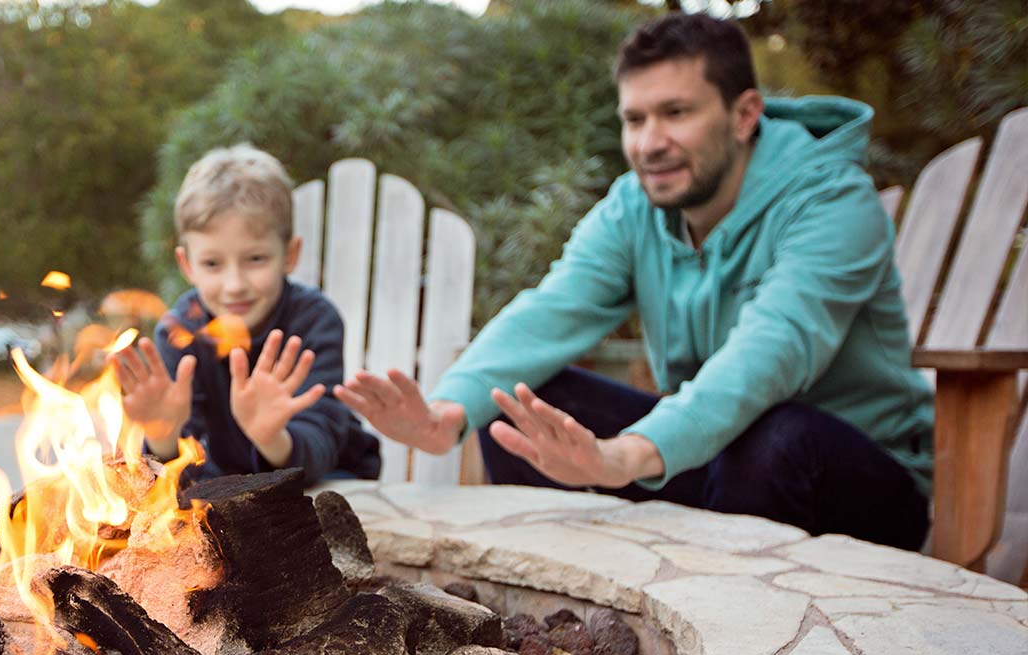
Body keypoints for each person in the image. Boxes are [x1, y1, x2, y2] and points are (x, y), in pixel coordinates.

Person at [336, 12, 933, 550]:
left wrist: (625, 454)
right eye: (635, 118)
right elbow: (552, 309)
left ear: (744, 114)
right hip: (717, 462)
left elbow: (773, 350)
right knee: (520, 408)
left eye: (676, 113)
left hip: (859, 483)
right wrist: (446, 415)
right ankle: (568, 619)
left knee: (775, 437)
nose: (650, 143)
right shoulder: (635, 208)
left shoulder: (833, 200)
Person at [114, 144, 381, 483]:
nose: (234, 285)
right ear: (187, 265)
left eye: (255, 259)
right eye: (212, 263)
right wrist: (162, 435)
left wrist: (271, 436)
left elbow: (321, 442)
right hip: (233, 491)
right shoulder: (180, 331)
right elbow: (174, 474)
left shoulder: (314, 321)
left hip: (330, 483)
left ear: (290, 254)